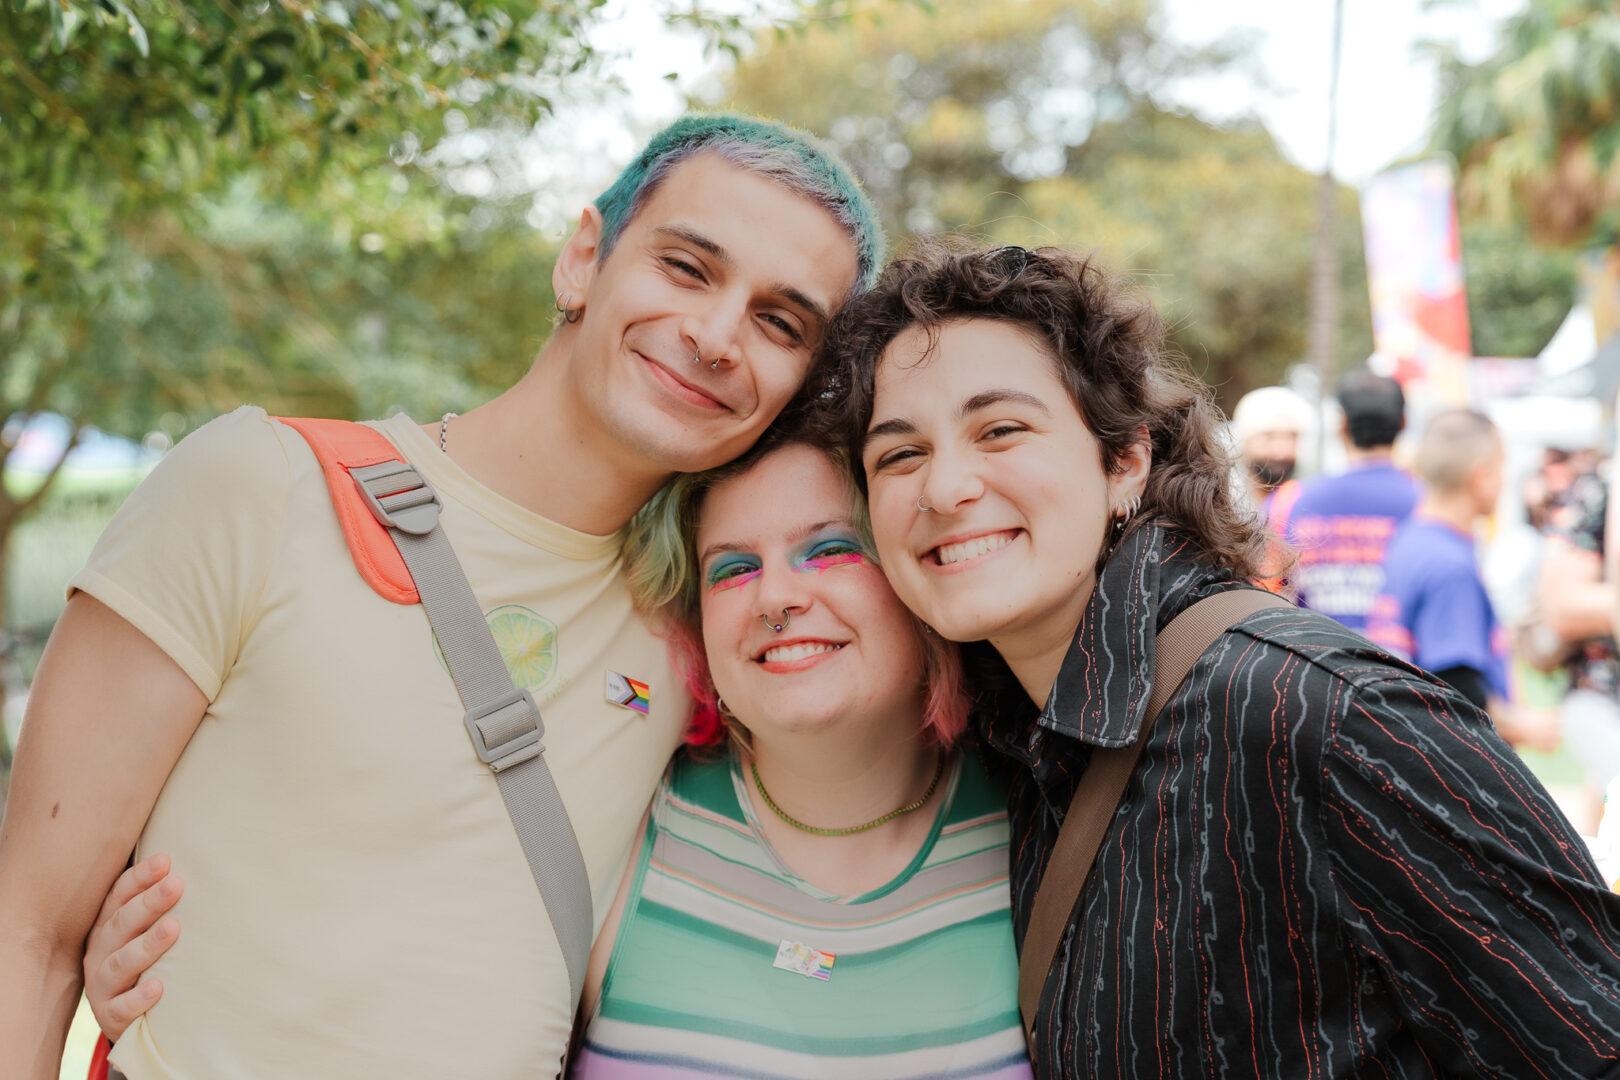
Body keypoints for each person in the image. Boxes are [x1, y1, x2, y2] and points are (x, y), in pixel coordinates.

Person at [0, 112, 883, 1080]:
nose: (717, 337)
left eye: (779, 321)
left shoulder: (718, 634)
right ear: (583, 260)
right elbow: (30, 932)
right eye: (687, 268)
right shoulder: (260, 488)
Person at [829, 241, 1620, 1078]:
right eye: (899, 454)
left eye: (1001, 430)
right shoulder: (1011, 747)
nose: (945, 487)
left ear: (1124, 461)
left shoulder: (1322, 718)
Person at [86, 415, 1035, 1078]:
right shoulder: (626, 826)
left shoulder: (1044, 824)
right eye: (733, 568)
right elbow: (387, 944)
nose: (778, 595)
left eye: (831, 549)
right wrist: (177, 967)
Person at [1365, 409, 1557, 750]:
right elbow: (1459, 691)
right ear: (1481, 476)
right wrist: (1530, 728)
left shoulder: (1412, 538)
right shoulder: (1448, 565)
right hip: (1455, 764)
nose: (1503, 480)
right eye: (1501, 467)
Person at [1273, 367, 1418, 631]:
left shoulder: (1290, 502)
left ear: (1340, 424)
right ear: (1403, 423)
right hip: (1401, 670)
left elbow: (1269, 595)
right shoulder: (1429, 504)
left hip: (1313, 664)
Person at [1229, 383, 1313, 515]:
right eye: (1269, 436)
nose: (1281, 451)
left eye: (1291, 437)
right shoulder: (1223, 506)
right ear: (1245, 441)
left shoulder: (1308, 507)